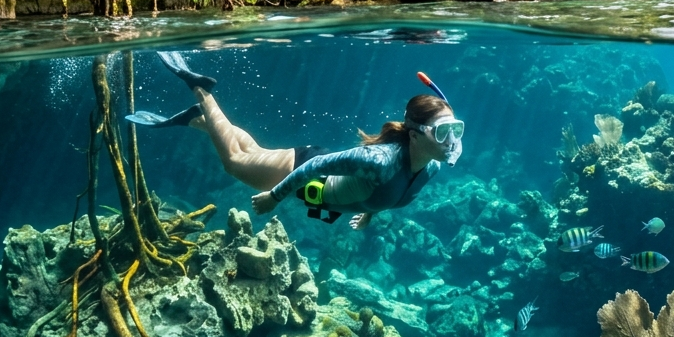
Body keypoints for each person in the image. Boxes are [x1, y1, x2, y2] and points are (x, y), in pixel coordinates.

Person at [126, 52, 462, 230]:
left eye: (456, 131)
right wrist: (275, 197)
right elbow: (317, 165)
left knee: (252, 151)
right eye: (444, 133)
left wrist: (369, 211)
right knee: (234, 162)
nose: (451, 142)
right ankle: (199, 91)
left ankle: (199, 122)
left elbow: (393, 190)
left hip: (321, 185)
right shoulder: (379, 161)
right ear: (416, 135)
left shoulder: (430, 167)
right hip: (304, 171)